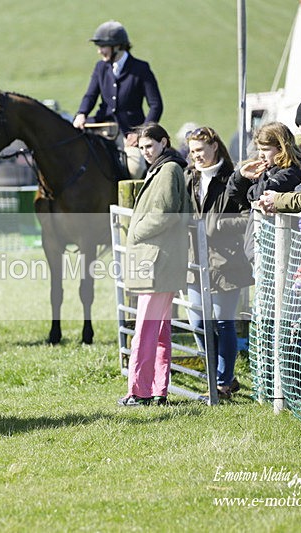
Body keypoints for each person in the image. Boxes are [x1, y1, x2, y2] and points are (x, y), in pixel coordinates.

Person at [118, 123, 189, 407]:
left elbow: (166, 214)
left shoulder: (169, 169)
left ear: (163, 142)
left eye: (150, 146)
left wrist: (134, 230)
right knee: (158, 331)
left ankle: (139, 391)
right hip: (161, 262)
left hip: (159, 262)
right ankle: (158, 390)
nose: (146, 152)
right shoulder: (163, 168)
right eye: (142, 147)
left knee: (145, 331)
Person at [183, 127, 253, 400]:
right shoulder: (190, 178)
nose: (196, 156)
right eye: (192, 151)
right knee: (198, 320)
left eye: (200, 150)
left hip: (227, 262)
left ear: (214, 146)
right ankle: (221, 375)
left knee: (223, 322)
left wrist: (218, 224)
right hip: (195, 260)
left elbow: (250, 217)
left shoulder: (234, 178)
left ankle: (222, 383)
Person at [73, 20, 163, 180]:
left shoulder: (141, 68)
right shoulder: (100, 67)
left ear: (117, 46)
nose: (99, 51)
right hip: (100, 126)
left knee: (136, 167)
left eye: (102, 47)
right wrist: (81, 113)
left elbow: (156, 106)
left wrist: (141, 134)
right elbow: (90, 95)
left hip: (129, 132)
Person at [227, 122, 301, 260]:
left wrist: (251, 190)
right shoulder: (265, 171)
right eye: (259, 149)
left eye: (266, 149)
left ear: (281, 148)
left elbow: (259, 194)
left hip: (277, 251)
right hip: (258, 248)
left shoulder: (291, 172)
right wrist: (241, 176)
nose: (261, 155)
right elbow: (236, 195)